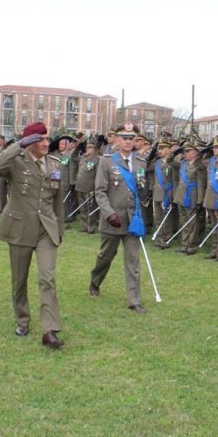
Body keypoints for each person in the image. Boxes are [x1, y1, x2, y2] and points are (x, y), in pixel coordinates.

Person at [0, 122, 65, 348]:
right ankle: (22, 319)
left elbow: (58, 201)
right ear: (30, 142)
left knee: (47, 277)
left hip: (46, 229)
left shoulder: (54, 164)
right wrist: (18, 145)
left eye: (46, 139)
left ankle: (49, 329)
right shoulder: (15, 161)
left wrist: (59, 229)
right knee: (19, 279)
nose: (46, 143)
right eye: (40, 139)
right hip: (20, 228)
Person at [89, 122, 150, 313]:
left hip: (133, 220)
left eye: (132, 139)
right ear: (117, 139)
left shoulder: (140, 162)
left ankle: (134, 301)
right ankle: (95, 281)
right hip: (113, 220)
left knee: (133, 260)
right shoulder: (107, 161)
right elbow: (100, 192)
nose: (129, 142)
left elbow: (141, 189)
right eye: (125, 138)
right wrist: (109, 213)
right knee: (105, 256)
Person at [172, 140, 207, 255]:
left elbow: (201, 185)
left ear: (195, 153)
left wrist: (200, 201)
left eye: (188, 151)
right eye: (184, 151)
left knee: (192, 223)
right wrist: (175, 152)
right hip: (181, 196)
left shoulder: (199, 166)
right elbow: (170, 161)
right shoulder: (183, 164)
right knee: (184, 221)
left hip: (191, 197)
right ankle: (184, 244)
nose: (185, 153)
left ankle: (191, 246)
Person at [151, 139, 175, 248]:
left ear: (169, 150)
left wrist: (172, 194)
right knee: (158, 217)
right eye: (159, 148)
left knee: (168, 218)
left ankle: (167, 239)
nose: (160, 150)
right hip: (157, 193)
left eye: (162, 148)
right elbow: (149, 171)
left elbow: (175, 179)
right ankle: (159, 237)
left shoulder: (173, 162)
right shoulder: (157, 162)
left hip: (167, 193)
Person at [74, 139, 100, 233]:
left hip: (89, 188)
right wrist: (78, 147)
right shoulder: (83, 157)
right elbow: (73, 157)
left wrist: (95, 189)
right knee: (83, 208)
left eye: (90, 147)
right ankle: (84, 226)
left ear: (94, 149)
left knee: (90, 209)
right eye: (86, 147)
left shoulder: (97, 160)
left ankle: (91, 227)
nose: (87, 149)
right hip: (79, 186)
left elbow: (98, 176)